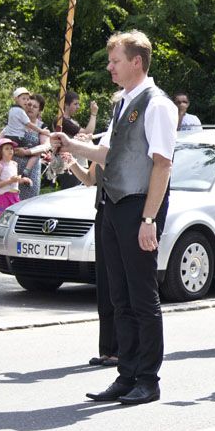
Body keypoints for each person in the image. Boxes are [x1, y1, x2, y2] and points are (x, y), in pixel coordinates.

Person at [52, 30, 178, 405]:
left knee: (142, 296)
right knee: (119, 295)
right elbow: (107, 154)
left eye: (115, 61)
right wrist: (69, 144)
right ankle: (126, 374)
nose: (110, 67)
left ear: (136, 62)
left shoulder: (157, 105)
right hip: (111, 203)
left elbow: (162, 164)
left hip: (138, 206)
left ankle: (148, 379)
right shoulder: (123, 102)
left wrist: (149, 219)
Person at [60, 148, 118, 368]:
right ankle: (107, 349)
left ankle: (120, 349)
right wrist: (72, 162)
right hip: (103, 213)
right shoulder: (102, 148)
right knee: (103, 282)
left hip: (119, 212)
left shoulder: (120, 146)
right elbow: (89, 179)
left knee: (116, 282)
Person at [58, 91, 98, 188]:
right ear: (66, 105)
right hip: (70, 167)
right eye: (75, 104)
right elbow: (88, 131)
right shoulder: (61, 121)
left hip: (80, 164)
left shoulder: (72, 121)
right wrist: (93, 114)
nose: (78, 107)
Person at [1, 87, 44, 175]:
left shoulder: (42, 127)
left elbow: (45, 146)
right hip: (10, 170)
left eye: (35, 107)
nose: (30, 108)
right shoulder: (15, 122)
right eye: (29, 104)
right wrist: (13, 149)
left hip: (31, 173)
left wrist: (26, 152)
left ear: (39, 111)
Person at [0, 138, 31, 219]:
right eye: (7, 148)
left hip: (15, 195)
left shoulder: (14, 164)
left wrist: (23, 180)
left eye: (11, 148)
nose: (10, 150)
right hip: (4, 196)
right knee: (3, 219)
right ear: (1, 151)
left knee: (14, 219)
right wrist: (10, 181)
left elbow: (15, 181)